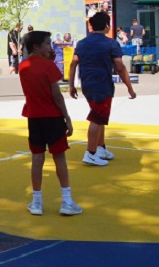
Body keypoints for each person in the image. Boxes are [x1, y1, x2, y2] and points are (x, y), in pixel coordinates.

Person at [18, 30, 82, 216]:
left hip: (34, 117)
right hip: (53, 117)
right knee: (59, 157)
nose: (50, 46)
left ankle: (37, 201)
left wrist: (48, 60)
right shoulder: (48, 67)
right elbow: (56, 95)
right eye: (47, 43)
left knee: (37, 158)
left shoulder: (23, 66)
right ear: (37, 47)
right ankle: (67, 200)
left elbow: (37, 75)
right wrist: (67, 118)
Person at [68, 11, 136, 167]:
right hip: (102, 84)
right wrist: (129, 88)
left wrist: (72, 85)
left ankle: (100, 148)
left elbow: (73, 64)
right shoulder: (111, 43)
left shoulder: (82, 43)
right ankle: (90, 153)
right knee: (97, 117)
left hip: (87, 84)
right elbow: (120, 66)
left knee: (100, 116)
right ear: (107, 25)